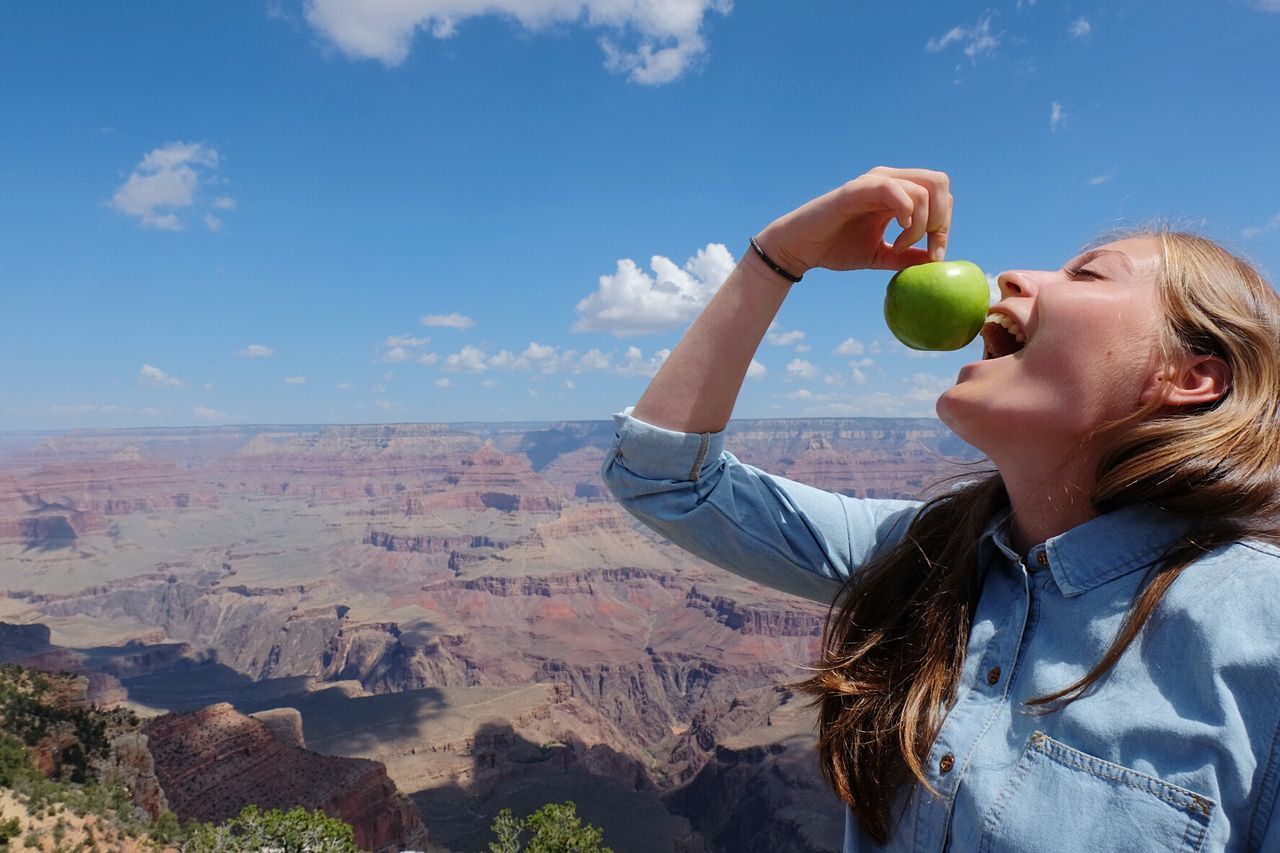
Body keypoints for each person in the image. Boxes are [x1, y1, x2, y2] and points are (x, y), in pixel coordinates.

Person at [601, 166, 1280, 852]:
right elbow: (666, 480)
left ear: (1189, 376)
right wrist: (780, 254)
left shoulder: (1263, 634)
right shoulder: (921, 553)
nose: (1012, 275)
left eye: (1088, 274)